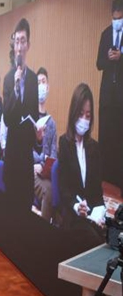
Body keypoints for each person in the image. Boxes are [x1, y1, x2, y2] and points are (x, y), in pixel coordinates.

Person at [58, 84, 105, 232]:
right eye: (81, 113)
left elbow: (97, 192)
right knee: (93, 239)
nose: (84, 119)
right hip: (73, 218)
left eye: (88, 115)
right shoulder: (64, 143)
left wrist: (100, 212)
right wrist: (77, 206)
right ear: (73, 113)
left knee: (112, 237)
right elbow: (64, 188)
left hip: (92, 217)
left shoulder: (94, 147)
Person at [3, 18, 38, 208]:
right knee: (11, 206)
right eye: (16, 41)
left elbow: (35, 116)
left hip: (26, 155)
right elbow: (8, 119)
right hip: (12, 153)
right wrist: (16, 91)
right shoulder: (9, 79)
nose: (19, 46)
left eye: (22, 41)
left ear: (28, 45)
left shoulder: (33, 79)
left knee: (25, 204)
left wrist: (38, 137)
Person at [97, 0, 123, 195]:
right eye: (114, 19)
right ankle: (105, 179)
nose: (117, 23)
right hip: (107, 96)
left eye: (120, 20)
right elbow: (98, 63)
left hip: (120, 96)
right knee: (106, 138)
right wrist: (108, 58)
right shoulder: (106, 34)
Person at [33, 68, 58, 222]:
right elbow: (27, 150)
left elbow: (54, 153)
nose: (41, 86)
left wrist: (45, 163)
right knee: (48, 191)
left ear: (48, 87)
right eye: (38, 83)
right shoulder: (29, 117)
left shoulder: (51, 122)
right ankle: (42, 230)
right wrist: (40, 161)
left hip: (46, 171)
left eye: (43, 82)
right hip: (31, 170)